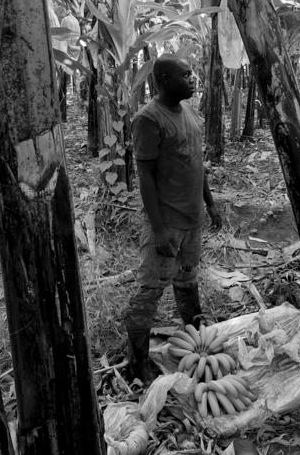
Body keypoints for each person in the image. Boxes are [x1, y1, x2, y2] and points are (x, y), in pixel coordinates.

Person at [123, 54, 223, 384]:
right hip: (166, 222)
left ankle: (195, 339)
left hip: (192, 219)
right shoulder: (148, 119)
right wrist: (159, 229)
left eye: (194, 72)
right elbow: (146, 178)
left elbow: (196, 162)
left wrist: (210, 204)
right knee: (150, 290)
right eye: (187, 74)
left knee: (187, 279)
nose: (194, 78)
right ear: (166, 81)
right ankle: (136, 360)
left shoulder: (189, 113)